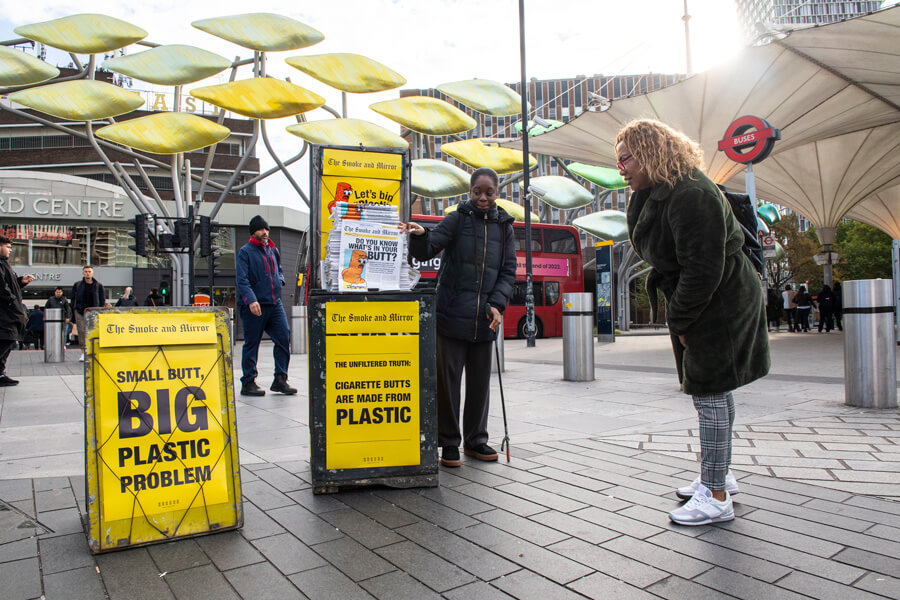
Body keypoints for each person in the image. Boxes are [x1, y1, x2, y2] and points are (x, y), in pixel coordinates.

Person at [615, 119, 769, 526]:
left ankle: (716, 495)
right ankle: (719, 475)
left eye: (626, 158)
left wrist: (681, 320)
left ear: (649, 152)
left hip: (720, 301)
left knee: (710, 390)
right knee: (714, 390)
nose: (621, 168)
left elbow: (703, 269)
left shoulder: (692, 194)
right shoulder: (655, 192)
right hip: (706, 296)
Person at [403, 167, 516, 468]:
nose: (482, 197)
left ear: (496, 193)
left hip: (484, 318)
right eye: (477, 191)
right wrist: (420, 234)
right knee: (448, 382)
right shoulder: (457, 219)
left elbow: (508, 271)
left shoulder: (504, 227)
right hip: (451, 314)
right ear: (469, 192)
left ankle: (477, 440)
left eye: (488, 192)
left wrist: (497, 304)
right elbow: (429, 247)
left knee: (480, 383)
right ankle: (449, 442)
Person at [236, 215, 296, 396]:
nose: (265, 232)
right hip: (255, 305)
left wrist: (280, 281)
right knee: (252, 343)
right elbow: (242, 279)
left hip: (274, 303)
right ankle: (248, 382)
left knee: (283, 337)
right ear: (253, 232)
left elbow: (279, 270)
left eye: (266, 229)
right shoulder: (245, 252)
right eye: (261, 229)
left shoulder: (272, 250)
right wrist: (251, 300)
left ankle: (280, 379)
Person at [0, 235, 34, 385]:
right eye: (7, 247)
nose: (10, 250)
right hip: (4, 313)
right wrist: (13, 301)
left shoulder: (4, 264)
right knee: (6, 340)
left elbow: (8, 286)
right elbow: (2, 288)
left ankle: (0, 374)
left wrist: (20, 282)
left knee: (8, 340)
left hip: (8, 311)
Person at [70, 265, 106, 361]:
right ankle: (83, 353)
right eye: (86, 271)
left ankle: (93, 352)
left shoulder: (98, 285)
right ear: (83, 273)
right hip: (80, 312)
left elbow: (102, 301)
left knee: (94, 332)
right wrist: (74, 310)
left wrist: (100, 312)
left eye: (89, 271)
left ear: (92, 273)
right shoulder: (77, 285)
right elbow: (73, 299)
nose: (87, 273)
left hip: (94, 313)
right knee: (82, 332)